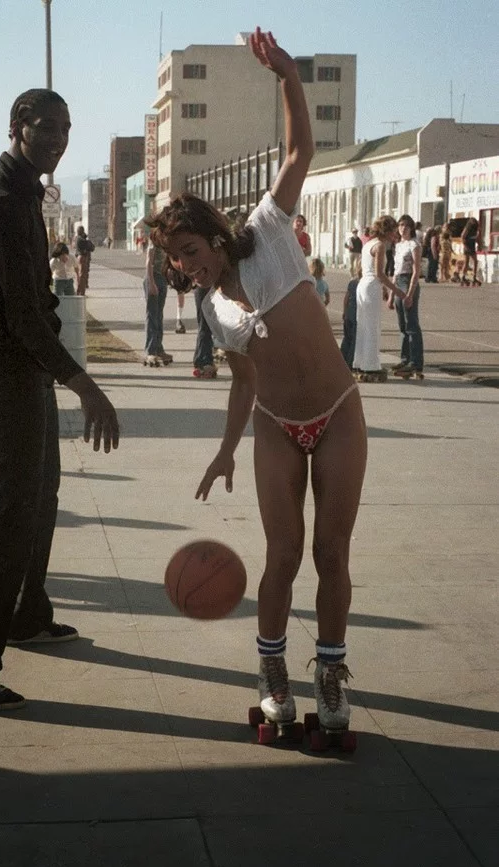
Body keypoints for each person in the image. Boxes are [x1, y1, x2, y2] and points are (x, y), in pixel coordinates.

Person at [146, 27, 366, 738]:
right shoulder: (211, 306)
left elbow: (300, 149)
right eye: (175, 263)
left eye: (188, 252)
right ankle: (273, 674)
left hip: (337, 412)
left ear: (213, 237)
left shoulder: (269, 229)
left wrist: (286, 76)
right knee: (284, 555)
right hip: (276, 426)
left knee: (332, 554)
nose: (184, 268)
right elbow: (245, 382)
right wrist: (223, 449)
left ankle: (329, 674)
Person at [0, 88, 120, 712]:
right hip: (10, 363)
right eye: (48, 127)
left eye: (67, 127)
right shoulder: (3, 203)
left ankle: (25, 614)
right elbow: (22, 318)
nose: (59, 138)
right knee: (11, 512)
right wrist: (85, 384)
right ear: (17, 126)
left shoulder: (23, 191)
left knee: (41, 496)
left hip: (23, 362)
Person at [353, 216, 406, 382]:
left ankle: (360, 361)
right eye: (393, 231)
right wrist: (396, 290)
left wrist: (383, 287)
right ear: (387, 231)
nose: (394, 235)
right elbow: (380, 274)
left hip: (363, 284)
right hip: (372, 286)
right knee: (373, 326)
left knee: (363, 324)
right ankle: (371, 364)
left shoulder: (368, 243)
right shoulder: (380, 245)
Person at [389, 214, 424, 379]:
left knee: (412, 325)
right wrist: (391, 295)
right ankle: (405, 358)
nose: (403, 228)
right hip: (398, 283)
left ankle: (416, 362)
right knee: (402, 326)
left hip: (409, 281)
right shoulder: (399, 245)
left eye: (406, 226)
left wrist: (410, 293)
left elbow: (417, 270)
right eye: (400, 225)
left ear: (411, 228)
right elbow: (395, 271)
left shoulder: (414, 244)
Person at [142, 234, 172, 367]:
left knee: (159, 316)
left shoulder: (166, 241)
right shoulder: (154, 240)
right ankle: (150, 350)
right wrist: (151, 282)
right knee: (152, 315)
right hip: (153, 278)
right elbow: (149, 261)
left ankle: (159, 348)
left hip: (162, 279)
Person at [191, 285, 216, 378]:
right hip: (207, 289)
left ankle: (199, 360)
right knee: (206, 326)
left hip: (201, 289)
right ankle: (204, 361)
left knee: (203, 325)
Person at [340, 266, 360, 370]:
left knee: (346, 338)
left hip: (348, 314)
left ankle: (341, 359)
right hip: (356, 316)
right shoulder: (362, 284)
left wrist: (344, 311)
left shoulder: (352, 283)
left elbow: (346, 298)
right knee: (354, 340)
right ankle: (350, 361)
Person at [461, 217, 481, 286]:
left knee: (474, 261)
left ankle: (473, 277)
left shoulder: (475, 228)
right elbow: (462, 236)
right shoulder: (468, 227)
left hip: (472, 245)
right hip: (468, 245)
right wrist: (465, 246)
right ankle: (463, 277)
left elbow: (476, 238)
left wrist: (478, 244)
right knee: (467, 262)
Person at [75, 225, 94, 295]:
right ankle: (81, 292)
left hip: (79, 257)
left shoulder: (78, 238)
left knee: (81, 275)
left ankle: (80, 291)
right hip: (82, 258)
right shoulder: (81, 239)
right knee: (82, 276)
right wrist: (87, 240)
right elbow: (91, 247)